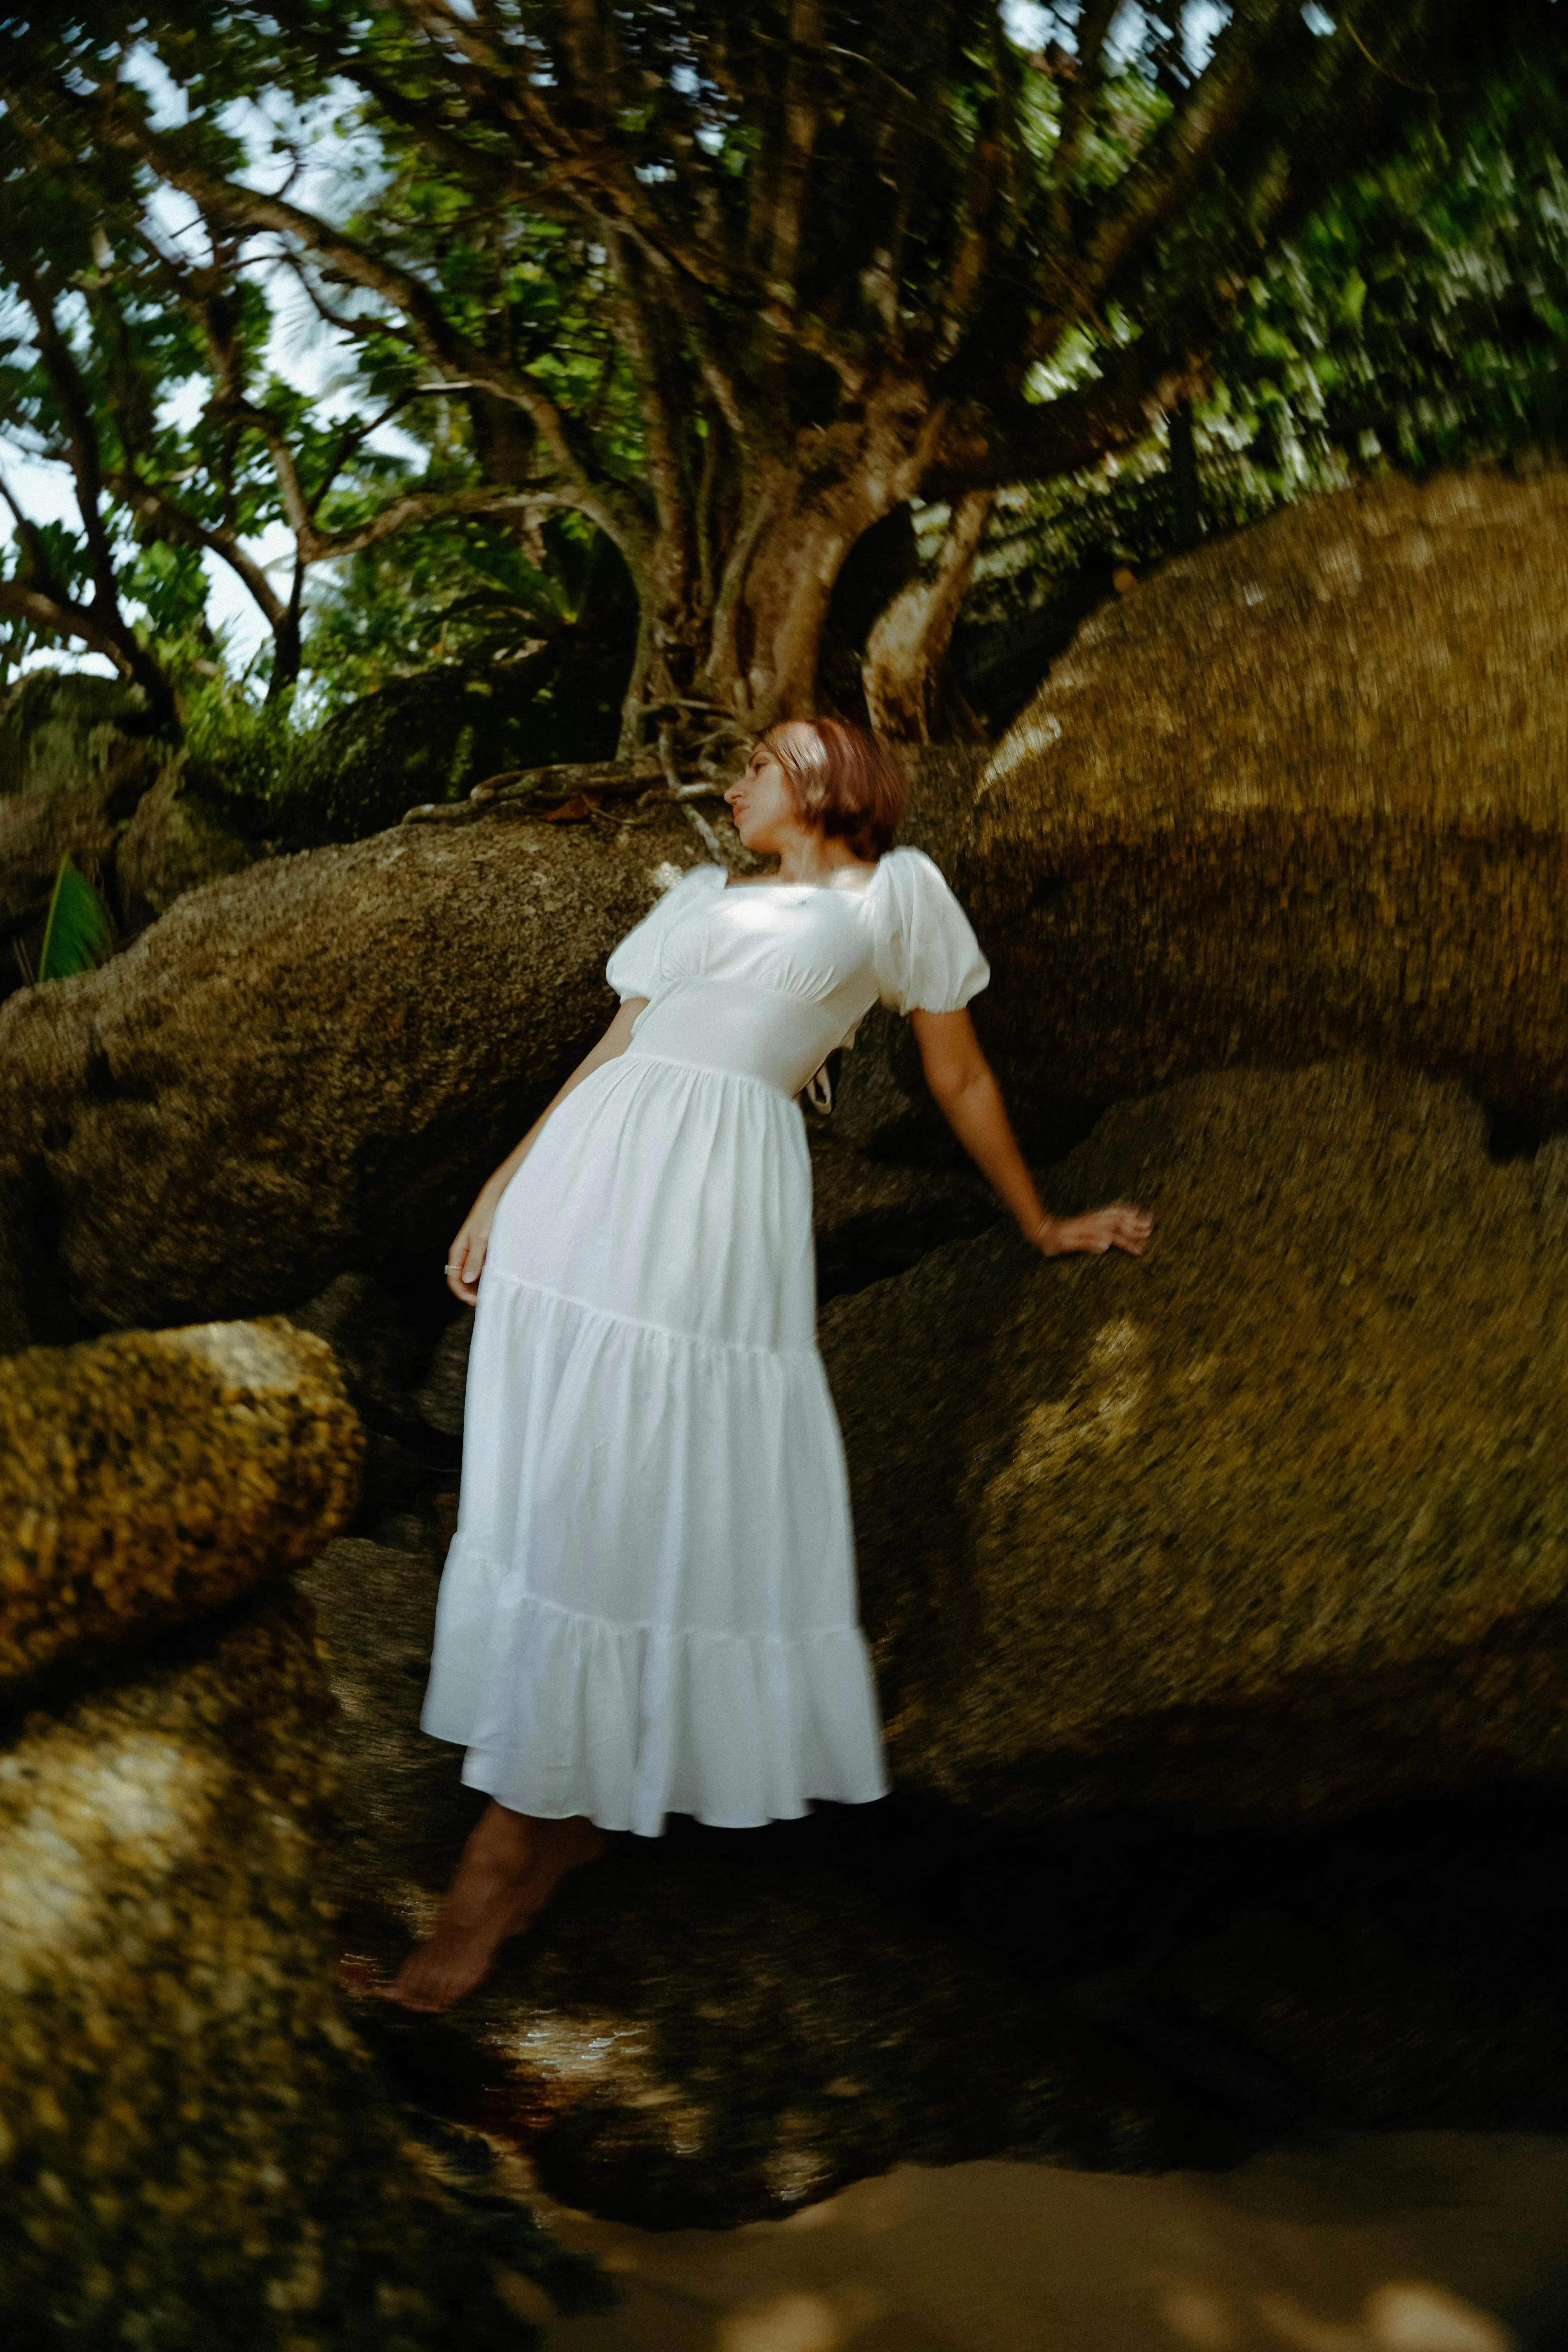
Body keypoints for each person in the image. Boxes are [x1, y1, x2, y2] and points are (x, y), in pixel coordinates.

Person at [388, 719, 1151, 2012]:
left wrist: (1037, 1219)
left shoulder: (894, 898)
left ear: (827, 783)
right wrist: (503, 1185)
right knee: (556, 1485)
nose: (734, 781)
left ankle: (502, 1859)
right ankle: (560, 1810)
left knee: (635, 1478)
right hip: (586, 1196)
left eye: (760, 761)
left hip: (709, 1206)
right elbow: (612, 1051)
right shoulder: (700, 901)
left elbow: (957, 1077)